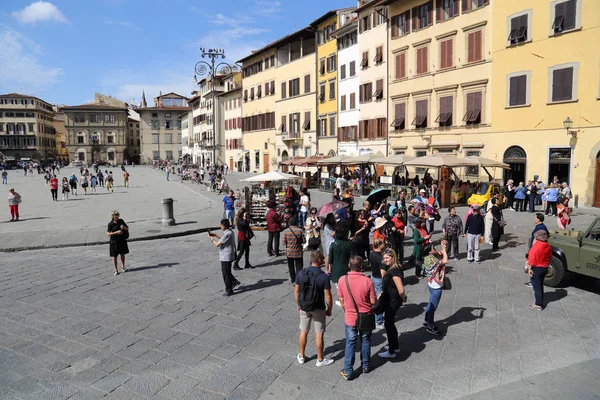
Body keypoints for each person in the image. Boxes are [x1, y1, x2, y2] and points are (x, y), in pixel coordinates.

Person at [337, 256, 376, 380]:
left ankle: (348, 370)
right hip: (365, 316)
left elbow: (341, 300)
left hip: (350, 317)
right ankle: (365, 365)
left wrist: (347, 311)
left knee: (350, 342)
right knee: (365, 340)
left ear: (349, 266)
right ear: (361, 267)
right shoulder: (368, 281)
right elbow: (373, 301)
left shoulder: (342, 280)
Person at [294, 250, 334, 367]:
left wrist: (299, 305)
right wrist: (329, 309)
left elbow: (296, 292)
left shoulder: (302, 273)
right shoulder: (323, 277)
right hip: (318, 308)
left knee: (303, 331)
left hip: (304, 307)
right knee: (319, 333)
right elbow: (328, 297)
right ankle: (320, 359)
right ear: (320, 260)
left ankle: (301, 356)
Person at [378, 248, 407, 359]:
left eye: (387, 258)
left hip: (392, 301)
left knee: (388, 325)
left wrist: (403, 299)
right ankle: (395, 346)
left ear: (393, 257)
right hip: (392, 300)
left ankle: (391, 351)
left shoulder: (394, 271)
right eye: (384, 258)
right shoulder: (394, 268)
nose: (385, 260)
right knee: (390, 324)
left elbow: (401, 289)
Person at [209, 219, 239, 296]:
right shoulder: (229, 231)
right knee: (226, 271)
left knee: (226, 273)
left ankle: (229, 290)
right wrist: (215, 235)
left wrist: (212, 240)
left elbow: (217, 244)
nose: (220, 226)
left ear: (223, 226)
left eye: (221, 225)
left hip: (226, 256)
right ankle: (234, 281)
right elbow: (223, 239)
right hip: (227, 255)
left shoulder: (227, 233)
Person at [423, 240, 448, 336]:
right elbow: (445, 260)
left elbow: (442, 252)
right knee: (433, 307)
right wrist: (444, 250)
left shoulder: (427, 257)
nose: (435, 249)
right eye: (433, 248)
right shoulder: (431, 259)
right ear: (430, 252)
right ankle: (430, 325)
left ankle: (426, 320)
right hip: (436, 286)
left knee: (430, 303)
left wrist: (444, 246)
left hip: (431, 284)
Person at [527, 230, 552, 311]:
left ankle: (538, 304)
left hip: (537, 268)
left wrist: (530, 269)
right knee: (540, 284)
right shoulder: (547, 245)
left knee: (536, 286)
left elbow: (532, 258)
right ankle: (539, 300)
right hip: (544, 267)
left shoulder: (536, 247)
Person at [524, 213, 549, 288]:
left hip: (536, 249)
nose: (534, 219)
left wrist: (532, 248)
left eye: (535, 218)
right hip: (537, 248)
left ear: (538, 219)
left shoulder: (540, 228)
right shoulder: (542, 226)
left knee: (533, 265)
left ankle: (533, 281)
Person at [329, 221, 356, 286]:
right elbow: (353, 258)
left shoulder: (333, 245)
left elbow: (331, 261)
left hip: (336, 272)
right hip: (347, 271)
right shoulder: (349, 244)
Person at [369, 238, 387, 329]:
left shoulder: (372, 254)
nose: (385, 244)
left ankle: (375, 316)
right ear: (380, 245)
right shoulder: (381, 258)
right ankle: (378, 321)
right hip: (379, 280)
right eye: (383, 243)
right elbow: (383, 273)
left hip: (373, 276)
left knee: (374, 297)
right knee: (380, 300)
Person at [283, 216, 306, 283]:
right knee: (299, 267)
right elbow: (304, 241)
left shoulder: (286, 231)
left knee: (291, 267)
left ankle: (293, 279)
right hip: (298, 252)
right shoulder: (300, 231)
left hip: (289, 252)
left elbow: (283, 242)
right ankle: (298, 280)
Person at [106, 211, 129, 276]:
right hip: (114, 242)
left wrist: (124, 228)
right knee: (114, 256)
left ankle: (123, 266)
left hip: (121, 240)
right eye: (116, 216)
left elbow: (127, 228)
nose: (117, 217)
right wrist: (116, 232)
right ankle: (115, 269)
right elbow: (108, 234)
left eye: (118, 216)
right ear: (113, 217)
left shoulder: (121, 221)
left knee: (122, 254)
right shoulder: (110, 224)